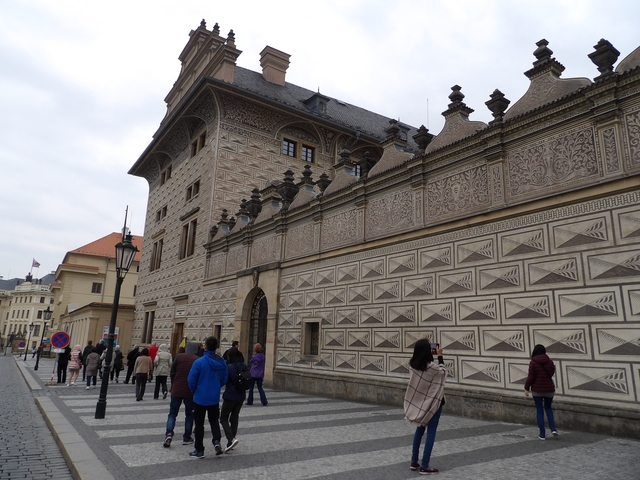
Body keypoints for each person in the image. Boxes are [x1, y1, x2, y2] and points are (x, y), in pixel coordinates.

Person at [404, 339, 447, 475]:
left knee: (419, 430)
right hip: (433, 404)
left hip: (420, 405)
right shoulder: (433, 368)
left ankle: (414, 461)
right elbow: (444, 372)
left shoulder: (412, 365)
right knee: (431, 432)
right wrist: (440, 355)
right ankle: (425, 465)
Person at [187, 336, 228, 459]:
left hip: (200, 398)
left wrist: (195, 390)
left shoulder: (199, 362)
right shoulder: (222, 362)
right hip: (214, 398)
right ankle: (216, 442)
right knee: (214, 421)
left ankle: (199, 450)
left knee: (199, 424)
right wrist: (216, 387)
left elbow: (191, 380)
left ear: (205, 346)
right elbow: (224, 379)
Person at [163, 342, 199, 448]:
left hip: (176, 390)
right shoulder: (196, 359)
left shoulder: (179, 357)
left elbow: (172, 372)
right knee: (189, 415)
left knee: (172, 414)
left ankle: (169, 434)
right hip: (189, 391)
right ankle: (186, 437)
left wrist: (174, 384)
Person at [524, 344, 558, 440]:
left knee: (540, 411)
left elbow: (531, 377)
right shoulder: (550, 362)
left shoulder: (533, 362)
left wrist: (526, 388)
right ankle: (553, 429)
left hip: (537, 390)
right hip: (549, 389)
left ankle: (542, 434)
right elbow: (551, 373)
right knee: (548, 408)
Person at [220, 348, 248, 452]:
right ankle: (230, 442)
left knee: (223, 418)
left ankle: (231, 439)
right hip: (241, 396)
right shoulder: (244, 365)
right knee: (234, 417)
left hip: (230, 396)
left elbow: (225, 380)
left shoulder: (230, 367)